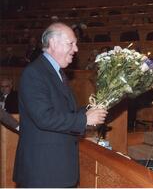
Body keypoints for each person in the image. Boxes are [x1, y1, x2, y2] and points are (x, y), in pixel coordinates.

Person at [13, 22, 108, 187]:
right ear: (53, 44)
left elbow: (66, 111)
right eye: (71, 43)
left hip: (55, 169)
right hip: (43, 172)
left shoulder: (56, 72)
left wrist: (92, 108)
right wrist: (84, 120)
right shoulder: (34, 73)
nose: (76, 49)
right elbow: (44, 117)